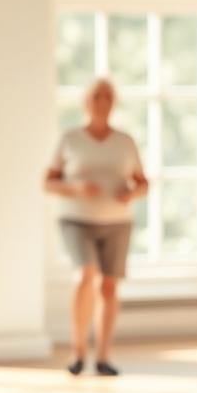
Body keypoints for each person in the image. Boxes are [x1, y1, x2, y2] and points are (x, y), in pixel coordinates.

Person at [44, 78, 148, 377]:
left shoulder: (125, 141)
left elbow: (143, 183)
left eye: (107, 96)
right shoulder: (70, 139)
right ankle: (78, 351)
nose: (102, 102)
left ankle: (102, 356)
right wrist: (76, 189)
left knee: (109, 285)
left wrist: (132, 193)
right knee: (85, 275)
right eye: (96, 96)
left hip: (117, 222)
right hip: (76, 220)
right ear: (86, 102)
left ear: (113, 103)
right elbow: (48, 182)